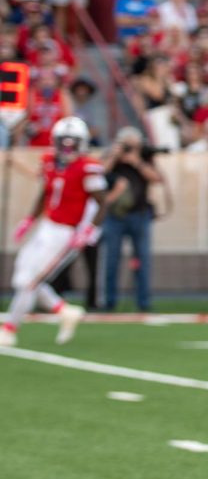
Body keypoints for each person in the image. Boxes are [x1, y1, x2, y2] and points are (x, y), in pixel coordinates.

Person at [0, 118, 103, 348]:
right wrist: (29, 219)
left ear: (81, 143)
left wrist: (89, 229)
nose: (67, 149)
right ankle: (63, 310)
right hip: (48, 226)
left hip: (66, 233)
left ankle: (9, 330)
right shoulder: (48, 161)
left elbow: (101, 202)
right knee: (22, 276)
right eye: (63, 143)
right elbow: (45, 193)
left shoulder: (87, 167)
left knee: (29, 282)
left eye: (72, 144)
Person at [102, 127, 164, 313]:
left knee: (142, 260)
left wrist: (136, 162)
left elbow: (157, 178)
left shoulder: (144, 156)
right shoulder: (112, 156)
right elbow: (98, 172)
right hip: (115, 216)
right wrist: (114, 156)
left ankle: (143, 302)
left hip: (140, 214)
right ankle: (109, 301)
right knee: (111, 260)